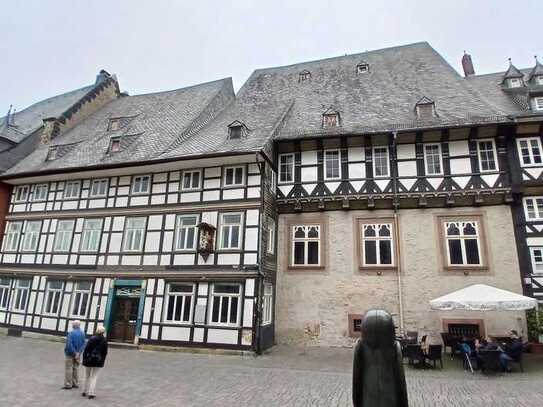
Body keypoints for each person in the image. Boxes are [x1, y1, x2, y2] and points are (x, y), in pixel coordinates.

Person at [352, 309, 408, 407]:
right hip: (390, 398)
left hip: (367, 399)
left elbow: (356, 380)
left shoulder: (360, 346)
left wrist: (356, 402)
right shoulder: (395, 347)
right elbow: (400, 380)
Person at [82, 325, 108, 399]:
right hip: (98, 361)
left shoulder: (91, 338)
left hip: (88, 360)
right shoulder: (104, 341)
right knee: (94, 377)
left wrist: (84, 359)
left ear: (97, 331)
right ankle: (91, 393)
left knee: (86, 376)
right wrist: (102, 360)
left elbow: (86, 350)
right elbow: (105, 352)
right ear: (103, 332)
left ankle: (84, 391)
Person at [63, 320, 86, 390]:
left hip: (70, 353)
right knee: (76, 368)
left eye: (72, 324)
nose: (72, 325)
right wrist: (79, 353)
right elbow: (84, 344)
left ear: (74, 325)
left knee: (69, 369)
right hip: (78, 354)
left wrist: (75, 353)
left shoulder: (71, 333)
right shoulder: (82, 333)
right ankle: (75, 383)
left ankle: (68, 384)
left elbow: (69, 344)